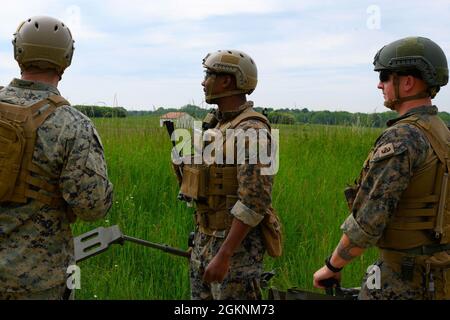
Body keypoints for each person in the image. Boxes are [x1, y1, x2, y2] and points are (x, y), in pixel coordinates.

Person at [313, 36, 450, 300]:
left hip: (402, 278)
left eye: (386, 76)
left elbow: (368, 221)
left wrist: (331, 266)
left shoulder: (402, 138)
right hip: (439, 274)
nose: (380, 84)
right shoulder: (443, 133)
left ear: (408, 82)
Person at [0, 16, 113, 300]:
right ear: (66, 58)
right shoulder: (74, 125)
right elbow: (92, 207)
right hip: (37, 281)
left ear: (18, 53)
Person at [176, 50, 281, 300]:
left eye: (209, 74)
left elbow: (254, 201)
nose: (203, 82)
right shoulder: (215, 126)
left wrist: (224, 255)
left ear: (227, 80)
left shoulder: (253, 131)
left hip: (236, 252)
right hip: (206, 240)